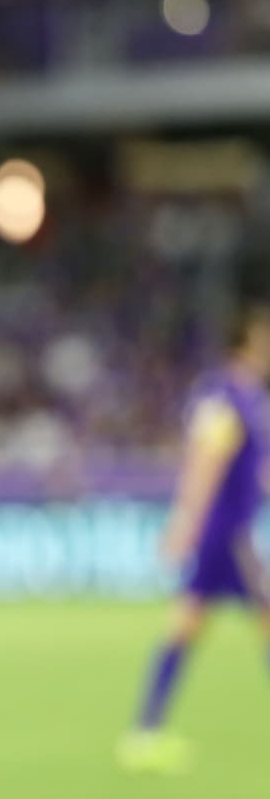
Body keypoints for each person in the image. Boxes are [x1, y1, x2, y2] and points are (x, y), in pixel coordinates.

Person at [119, 300, 270, 774]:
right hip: (229, 535)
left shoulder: (244, 396)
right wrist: (185, 523)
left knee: (184, 628)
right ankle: (144, 733)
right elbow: (206, 463)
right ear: (246, 338)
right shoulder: (229, 396)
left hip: (224, 533)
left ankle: (144, 732)